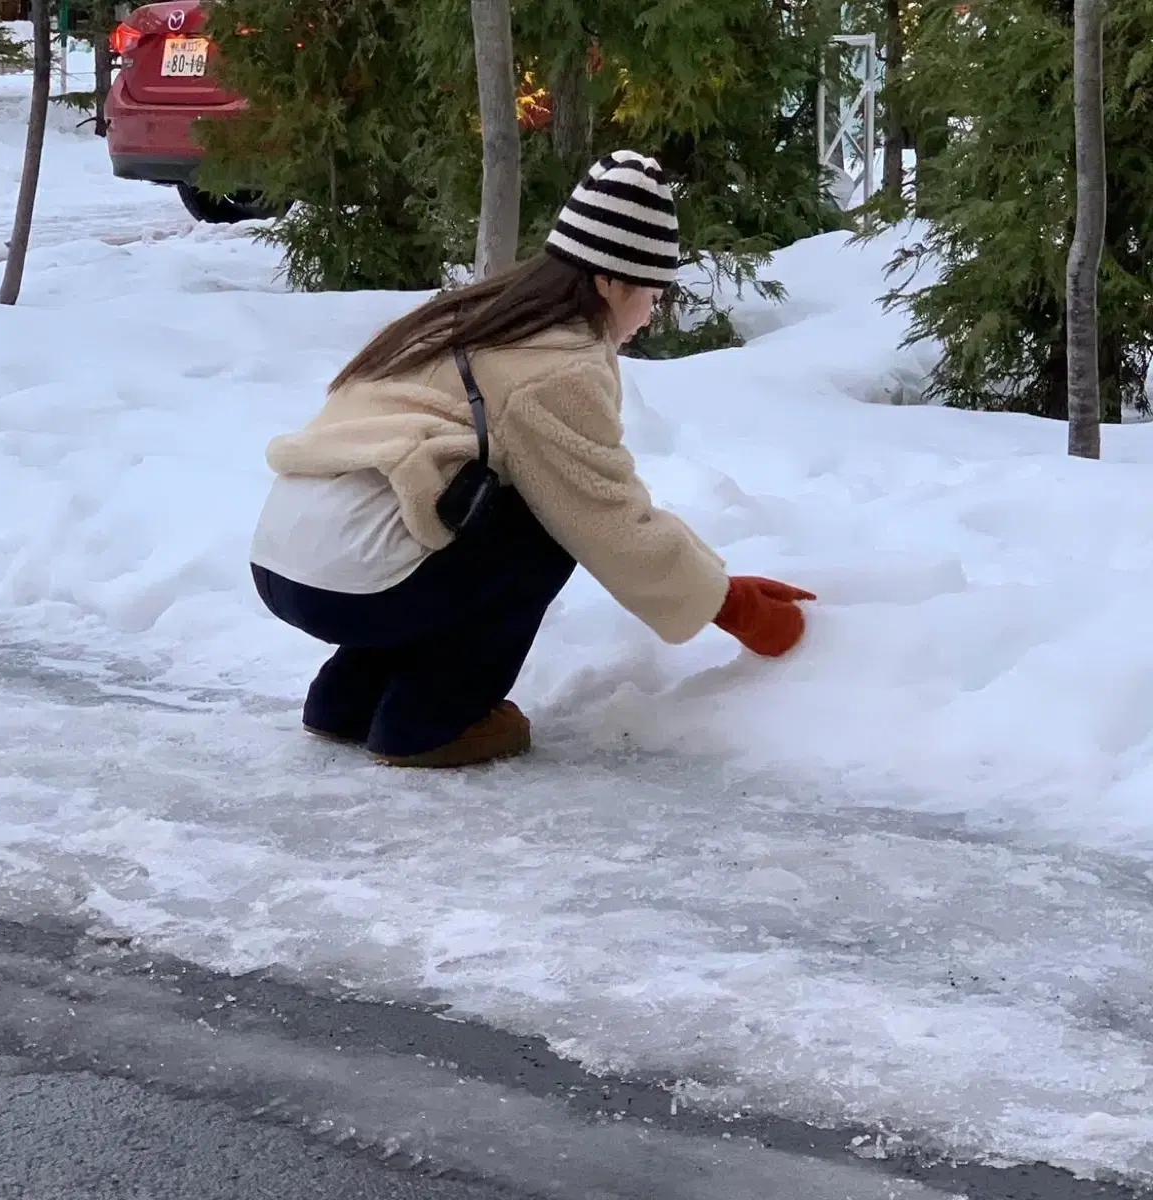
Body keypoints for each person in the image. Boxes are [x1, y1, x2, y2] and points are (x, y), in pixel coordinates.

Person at [250, 150, 816, 769]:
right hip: (360, 580)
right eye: (651, 293)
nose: (651, 313)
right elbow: (608, 519)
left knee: (475, 506)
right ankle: (429, 720)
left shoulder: (468, 315)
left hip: (287, 560)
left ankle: (346, 698)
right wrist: (734, 608)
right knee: (544, 521)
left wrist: (714, 583)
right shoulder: (556, 366)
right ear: (609, 281)